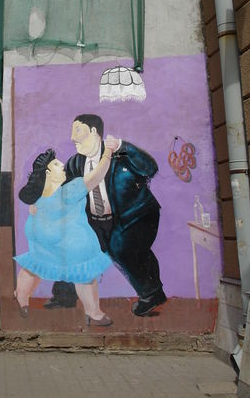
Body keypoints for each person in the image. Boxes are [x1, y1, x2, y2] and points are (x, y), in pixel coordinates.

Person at [47, 114, 166, 317]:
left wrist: (123, 145)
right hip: (97, 219)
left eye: (78, 130)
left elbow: (151, 168)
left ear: (94, 132)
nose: (72, 137)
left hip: (135, 215)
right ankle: (64, 295)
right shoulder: (75, 163)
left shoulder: (120, 154)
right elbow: (66, 195)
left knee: (121, 247)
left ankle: (151, 294)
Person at [14, 147, 114, 326]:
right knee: (85, 275)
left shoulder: (38, 196)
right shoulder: (70, 190)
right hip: (67, 243)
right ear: (48, 173)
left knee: (35, 265)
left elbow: (33, 206)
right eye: (56, 164)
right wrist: (109, 153)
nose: (62, 166)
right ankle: (94, 313)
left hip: (41, 239)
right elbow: (96, 176)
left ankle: (21, 298)